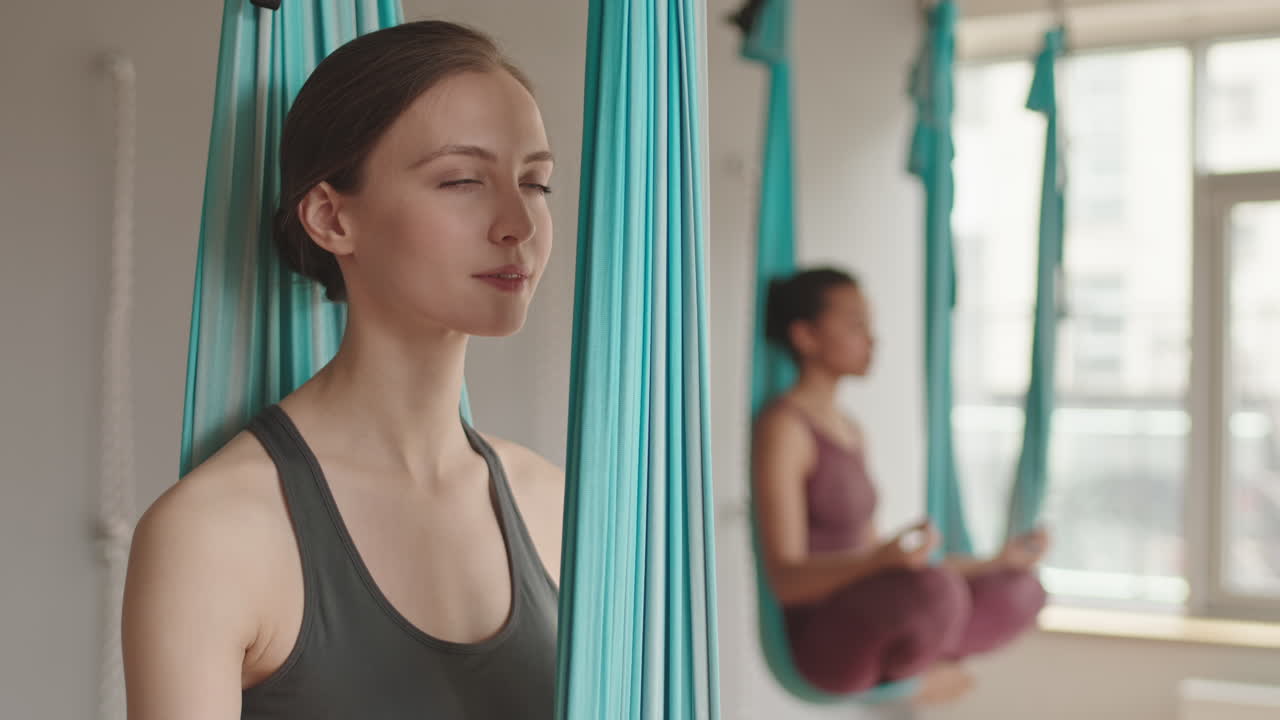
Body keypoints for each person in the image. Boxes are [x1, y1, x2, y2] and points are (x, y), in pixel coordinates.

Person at [122, 21, 564, 719]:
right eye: (461, 180)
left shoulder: (555, 508)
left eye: (535, 183)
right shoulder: (213, 536)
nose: (519, 224)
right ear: (331, 218)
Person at [753, 267, 1048, 702]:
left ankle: (919, 664)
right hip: (822, 638)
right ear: (805, 336)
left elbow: (875, 553)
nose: (872, 339)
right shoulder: (785, 428)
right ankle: (913, 682)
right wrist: (878, 562)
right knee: (936, 592)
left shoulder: (850, 430)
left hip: (870, 610)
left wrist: (994, 561)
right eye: (855, 325)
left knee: (1020, 587)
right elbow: (785, 580)